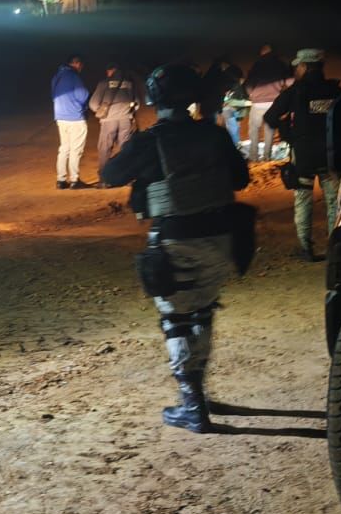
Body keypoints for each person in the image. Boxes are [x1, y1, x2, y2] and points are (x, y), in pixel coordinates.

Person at [100, 62, 249, 433]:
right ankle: (198, 394)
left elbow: (110, 174)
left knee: (176, 319)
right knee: (203, 312)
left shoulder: (152, 140)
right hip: (220, 238)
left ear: (156, 97)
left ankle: (192, 405)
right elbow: (240, 179)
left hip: (175, 238)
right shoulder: (213, 135)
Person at [267, 48, 341, 262]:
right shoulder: (335, 90)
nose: (296, 70)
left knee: (303, 200)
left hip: (303, 155)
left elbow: (271, 116)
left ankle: (306, 248)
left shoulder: (295, 91)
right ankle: (334, 247)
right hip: (330, 155)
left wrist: (287, 133)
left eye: (298, 67)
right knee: (334, 201)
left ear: (304, 67)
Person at [90, 62, 140, 178]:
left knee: (105, 148)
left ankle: (104, 178)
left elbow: (93, 103)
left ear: (111, 71)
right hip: (125, 120)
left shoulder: (104, 83)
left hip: (109, 120)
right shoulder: (129, 83)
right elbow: (137, 103)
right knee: (125, 148)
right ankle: (126, 176)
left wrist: (102, 111)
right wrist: (128, 112)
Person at [244, 44, 292, 162]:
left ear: (262, 52)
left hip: (258, 103)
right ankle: (267, 157)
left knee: (254, 130)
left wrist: (251, 95)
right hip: (274, 102)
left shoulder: (257, 64)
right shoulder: (280, 64)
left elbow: (249, 83)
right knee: (269, 131)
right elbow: (289, 81)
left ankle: (254, 157)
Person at [51, 53, 91, 189]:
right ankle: (74, 180)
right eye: (81, 65)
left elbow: (53, 94)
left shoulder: (57, 76)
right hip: (75, 118)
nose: (81, 68)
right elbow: (83, 95)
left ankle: (61, 180)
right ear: (77, 63)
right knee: (75, 150)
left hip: (60, 117)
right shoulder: (74, 76)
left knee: (64, 149)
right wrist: (83, 107)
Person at [202, 57, 246, 146]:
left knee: (229, 127)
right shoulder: (222, 77)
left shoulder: (215, 75)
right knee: (228, 127)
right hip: (217, 106)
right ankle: (232, 144)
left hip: (216, 106)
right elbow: (223, 94)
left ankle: (231, 144)